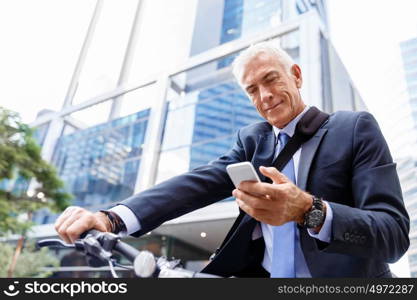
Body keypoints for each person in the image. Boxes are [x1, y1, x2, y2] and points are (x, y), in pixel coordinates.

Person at [54, 42, 410, 277]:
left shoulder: (352, 127)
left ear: (296, 75)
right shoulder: (252, 140)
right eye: (252, 89)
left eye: (271, 79)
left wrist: (308, 210)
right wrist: (112, 218)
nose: (265, 96)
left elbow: (393, 234)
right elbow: (195, 184)